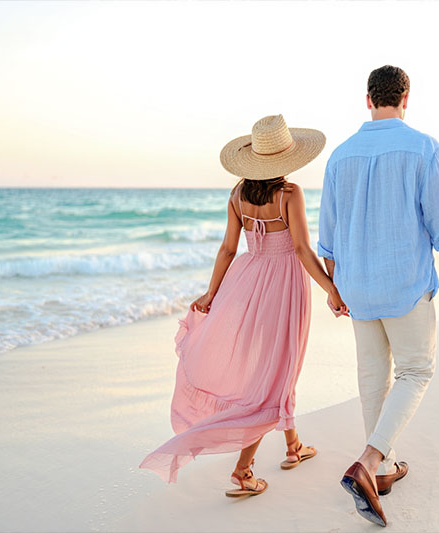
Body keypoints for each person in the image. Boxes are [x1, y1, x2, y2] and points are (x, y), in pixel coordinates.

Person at [140, 115, 347, 497]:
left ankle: (293, 446)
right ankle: (243, 470)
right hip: (285, 285)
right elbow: (301, 249)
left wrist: (211, 293)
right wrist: (331, 289)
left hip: (246, 281)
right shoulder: (289, 194)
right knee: (276, 373)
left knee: (273, 367)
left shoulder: (237, 194)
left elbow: (227, 249)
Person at [317, 65, 439, 526]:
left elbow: (329, 236)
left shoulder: (340, 156)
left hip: (358, 285)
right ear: (406, 97)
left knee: (372, 379)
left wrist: (336, 287)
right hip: (403, 282)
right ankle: (369, 461)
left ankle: (382, 470)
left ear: (367, 99)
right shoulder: (424, 148)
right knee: (417, 371)